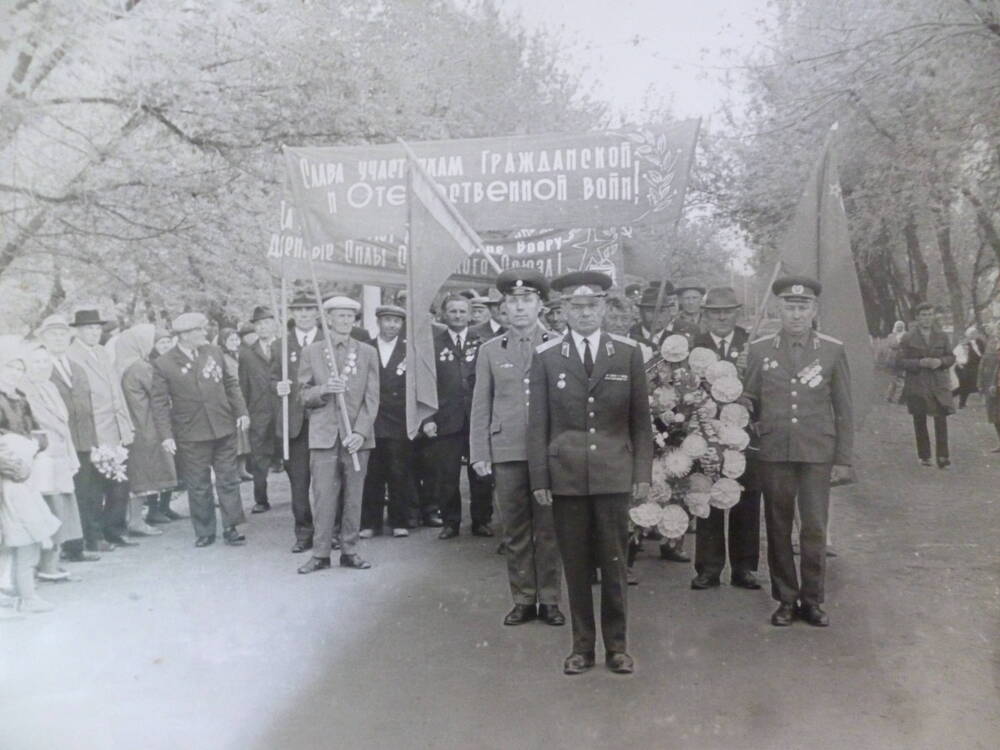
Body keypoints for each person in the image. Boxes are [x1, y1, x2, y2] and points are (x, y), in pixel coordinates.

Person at [528, 271, 652, 675]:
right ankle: (582, 647)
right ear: (563, 310)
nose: (584, 313)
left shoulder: (627, 353)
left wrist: (642, 475)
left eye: (592, 305)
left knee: (614, 564)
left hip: (614, 474)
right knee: (576, 565)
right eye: (575, 307)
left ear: (604, 307)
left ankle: (617, 646)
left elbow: (640, 423)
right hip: (565, 477)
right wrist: (540, 479)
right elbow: (538, 425)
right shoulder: (547, 356)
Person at [745, 276, 853, 627]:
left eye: (802, 307)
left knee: (815, 528)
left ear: (814, 310)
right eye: (789, 307)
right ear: (779, 309)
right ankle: (786, 599)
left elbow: (844, 409)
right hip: (775, 451)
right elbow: (751, 397)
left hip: (816, 452)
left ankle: (813, 599)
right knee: (777, 526)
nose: (795, 314)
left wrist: (843, 458)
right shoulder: (760, 349)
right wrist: (738, 409)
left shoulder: (832, 349)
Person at [470, 269, 565, 627]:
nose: (520, 307)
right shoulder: (490, 350)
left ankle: (551, 599)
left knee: (549, 528)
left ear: (540, 304)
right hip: (506, 449)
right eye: (513, 301)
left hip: (549, 452)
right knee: (514, 529)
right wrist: (480, 452)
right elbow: (481, 403)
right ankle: (523, 598)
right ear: (504, 307)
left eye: (527, 300)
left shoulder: (559, 343)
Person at [296, 296, 379, 574]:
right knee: (323, 497)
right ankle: (320, 554)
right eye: (340, 316)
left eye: (350, 317)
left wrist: (360, 432)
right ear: (328, 319)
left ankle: (349, 550)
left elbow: (372, 398)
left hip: (356, 437)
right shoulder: (313, 352)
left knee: (354, 497)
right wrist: (323, 391)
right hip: (323, 436)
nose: (345, 321)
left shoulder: (367, 352)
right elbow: (302, 394)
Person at [151, 312, 249, 547]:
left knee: (228, 479)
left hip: (222, 426)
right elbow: (160, 402)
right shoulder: (164, 363)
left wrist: (242, 411)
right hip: (190, 432)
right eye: (199, 330)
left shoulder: (213, 352)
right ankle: (205, 531)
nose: (204, 334)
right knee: (198, 483)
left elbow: (229, 383)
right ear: (184, 335)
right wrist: (166, 435)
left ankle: (231, 527)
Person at [689, 286, 761, 591]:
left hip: (745, 434)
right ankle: (708, 567)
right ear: (705, 315)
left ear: (737, 313)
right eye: (715, 311)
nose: (721, 317)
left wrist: (748, 387)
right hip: (705, 432)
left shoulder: (753, 344)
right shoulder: (693, 344)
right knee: (709, 496)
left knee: (747, 499)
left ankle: (744, 567)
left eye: (727, 311)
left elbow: (766, 388)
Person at [0, 337, 62, 613]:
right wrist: (11, 462)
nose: (14, 373)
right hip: (7, 476)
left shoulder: (20, 398)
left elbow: (36, 431)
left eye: (18, 368)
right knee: (7, 541)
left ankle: (27, 597)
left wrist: (35, 445)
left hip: (22, 477)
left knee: (27, 535)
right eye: (8, 367)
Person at [423, 294, 492, 539]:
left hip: (478, 418)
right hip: (446, 419)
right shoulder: (432, 344)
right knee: (447, 474)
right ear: (444, 314)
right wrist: (427, 418)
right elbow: (426, 384)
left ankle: (481, 520)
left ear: (470, 314)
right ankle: (450, 522)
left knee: (481, 473)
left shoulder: (484, 342)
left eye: (463, 311)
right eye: (453, 311)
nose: (458, 316)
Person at [35, 315, 102, 562]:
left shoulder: (78, 368)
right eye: (52, 334)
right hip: (57, 445)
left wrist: (94, 441)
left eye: (62, 334)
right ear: (43, 338)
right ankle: (60, 548)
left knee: (84, 493)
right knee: (58, 496)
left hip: (82, 442)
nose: (58, 338)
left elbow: (89, 407)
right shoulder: (40, 367)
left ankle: (79, 545)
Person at [67, 309, 136, 549]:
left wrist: (126, 425)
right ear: (77, 331)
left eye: (97, 329)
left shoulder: (102, 353)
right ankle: (94, 537)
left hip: (114, 428)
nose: (94, 333)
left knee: (119, 483)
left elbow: (116, 390)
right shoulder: (72, 355)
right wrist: (93, 436)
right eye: (88, 328)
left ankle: (115, 529)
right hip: (94, 430)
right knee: (92, 487)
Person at [21, 342, 83, 581]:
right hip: (43, 455)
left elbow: (63, 423)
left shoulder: (50, 386)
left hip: (60, 453)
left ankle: (52, 563)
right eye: (36, 361)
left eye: (46, 361)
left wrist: (70, 453)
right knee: (49, 507)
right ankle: (43, 565)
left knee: (63, 507)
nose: (42, 366)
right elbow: (42, 419)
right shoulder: (26, 388)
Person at [360, 305, 414, 538]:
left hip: (398, 419)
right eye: (387, 320)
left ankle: (399, 520)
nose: (392, 325)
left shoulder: (408, 350)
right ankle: (370, 523)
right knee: (372, 472)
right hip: (370, 418)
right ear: (378, 322)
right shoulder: (366, 348)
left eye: (397, 321)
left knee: (398, 471)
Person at [117, 324, 176, 537]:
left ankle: (132, 519)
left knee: (135, 475)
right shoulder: (140, 367)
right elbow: (159, 393)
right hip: (146, 425)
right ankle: (136, 521)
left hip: (133, 424)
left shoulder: (123, 365)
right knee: (141, 476)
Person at [273, 292, 319, 552]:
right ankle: (303, 534)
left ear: (316, 312)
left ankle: (330, 530)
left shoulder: (328, 341)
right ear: (292, 313)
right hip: (294, 425)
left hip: (323, 421)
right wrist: (276, 386)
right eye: (298, 309)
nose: (303, 314)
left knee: (328, 482)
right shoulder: (280, 345)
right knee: (299, 483)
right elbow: (269, 379)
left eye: (308, 309)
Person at [897, 302, 955, 469]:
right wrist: (919, 362)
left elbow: (951, 357)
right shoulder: (908, 337)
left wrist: (940, 361)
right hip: (918, 383)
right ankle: (924, 456)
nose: (927, 318)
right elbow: (899, 361)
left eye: (930, 314)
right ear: (917, 318)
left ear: (933, 317)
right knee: (920, 418)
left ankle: (943, 456)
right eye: (923, 315)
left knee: (941, 418)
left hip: (938, 384)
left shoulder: (942, 336)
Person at [239, 306, 278, 514]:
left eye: (266, 323)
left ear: (274, 324)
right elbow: (243, 386)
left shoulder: (284, 346)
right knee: (259, 459)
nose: (262, 328)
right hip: (259, 412)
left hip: (283, 412)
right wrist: (244, 412)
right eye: (258, 324)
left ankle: (302, 498)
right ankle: (261, 499)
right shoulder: (246, 354)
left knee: (292, 458)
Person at [147, 329, 183, 523]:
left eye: (168, 342)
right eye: (161, 343)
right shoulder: (153, 365)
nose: (165, 346)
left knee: (172, 465)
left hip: (175, 418)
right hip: (158, 420)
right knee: (158, 465)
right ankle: (153, 507)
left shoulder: (175, 361)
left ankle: (165, 505)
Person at [221, 327, 253, 481]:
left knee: (244, 436)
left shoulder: (241, 355)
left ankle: (242, 469)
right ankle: (233, 471)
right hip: (230, 401)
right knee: (234, 437)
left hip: (243, 396)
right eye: (230, 340)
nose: (235, 342)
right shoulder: (223, 358)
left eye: (236, 339)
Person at [977, 324, 1000, 451]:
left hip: (996, 385)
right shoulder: (991, 345)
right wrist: (980, 383)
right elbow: (982, 366)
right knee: (994, 415)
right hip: (990, 386)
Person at [629, 282, 673, 347]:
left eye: (661, 311)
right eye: (650, 311)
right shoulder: (630, 335)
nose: (656, 317)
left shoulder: (675, 338)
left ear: (669, 314)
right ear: (641, 313)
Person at [953, 326, 984, 409]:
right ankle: (958, 401)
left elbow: (982, 353)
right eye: (973, 333)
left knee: (970, 386)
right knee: (964, 385)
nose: (976, 334)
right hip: (964, 367)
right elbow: (955, 355)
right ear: (969, 334)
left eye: (976, 332)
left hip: (975, 368)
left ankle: (958, 400)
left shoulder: (980, 342)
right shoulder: (964, 343)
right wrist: (960, 364)